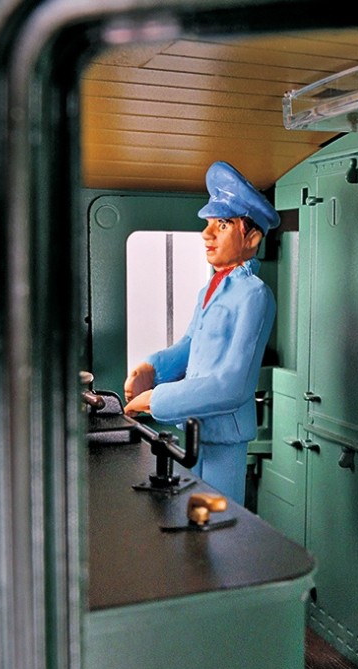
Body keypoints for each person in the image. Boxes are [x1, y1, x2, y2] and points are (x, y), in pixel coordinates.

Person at [123, 161, 279, 505]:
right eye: (208, 224)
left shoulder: (255, 295)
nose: (207, 234)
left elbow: (233, 385)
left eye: (222, 225)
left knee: (220, 516)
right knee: (193, 509)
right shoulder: (212, 288)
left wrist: (158, 399)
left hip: (226, 432)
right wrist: (151, 368)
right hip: (197, 426)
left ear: (251, 237)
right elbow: (191, 344)